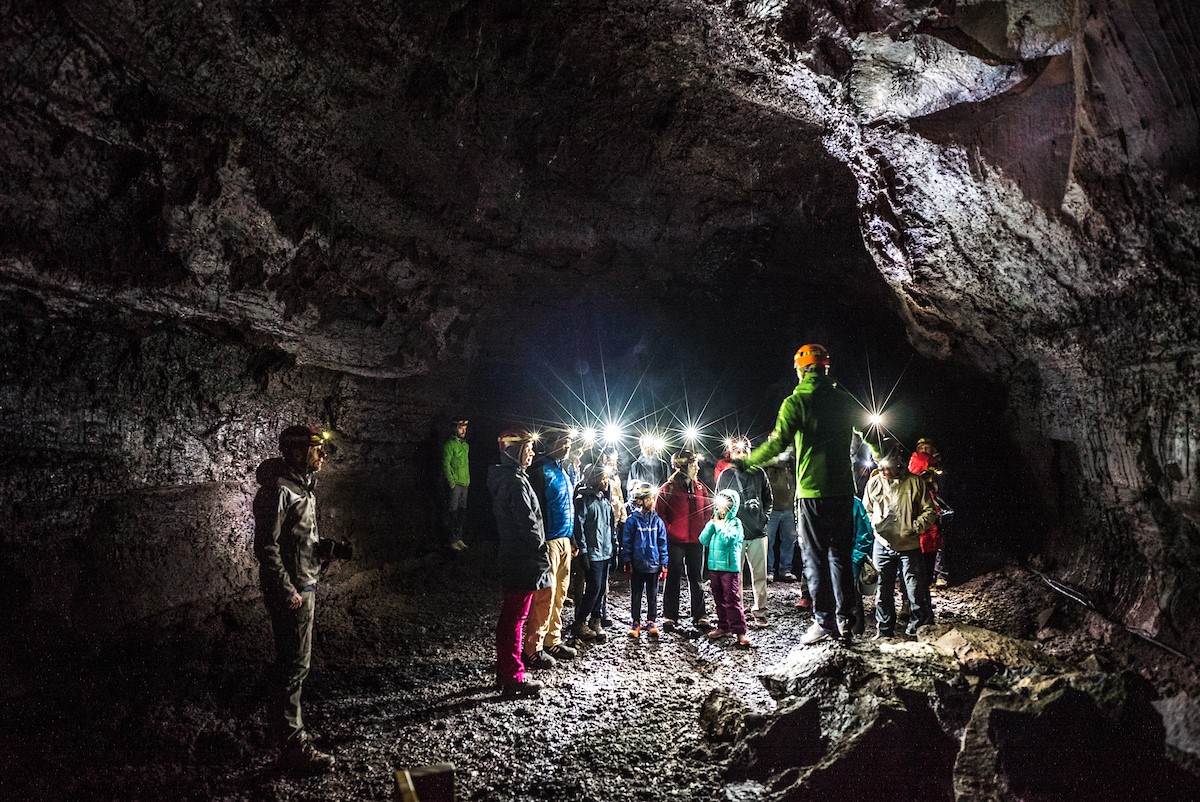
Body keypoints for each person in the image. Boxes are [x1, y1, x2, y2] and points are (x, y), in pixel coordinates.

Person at [738, 344, 877, 646]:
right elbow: (871, 434)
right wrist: (885, 456)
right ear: (826, 368)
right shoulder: (844, 400)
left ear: (801, 370)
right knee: (841, 556)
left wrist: (748, 462)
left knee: (815, 559)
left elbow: (777, 444)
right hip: (843, 491)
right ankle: (846, 620)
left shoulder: (796, 401)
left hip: (812, 492)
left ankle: (824, 621)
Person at [253, 425, 337, 772]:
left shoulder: (303, 487)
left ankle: (283, 730)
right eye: (317, 449)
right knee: (294, 666)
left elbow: (296, 539)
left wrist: (323, 550)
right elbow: (267, 547)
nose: (323, 455)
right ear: (297, 453)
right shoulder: (279, 491)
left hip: (305, 583)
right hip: (294, 591)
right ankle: (292, 746)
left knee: (294, 663)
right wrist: (287, 589)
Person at [488, 428, 552, 697]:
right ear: (515, 452)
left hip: (514, 556)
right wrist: (541, 552)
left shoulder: (509, 479)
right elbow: (528, 524)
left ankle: (505, 670)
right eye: (528, 449)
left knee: (512, 616)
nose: (532, 453)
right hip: (522, 559)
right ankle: (513, 677)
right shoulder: (515, 483)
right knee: (515, 617)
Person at [863, 444, 938, 639]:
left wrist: (914, 527)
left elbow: (929, 511)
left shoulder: (915, 483)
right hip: (882, 544)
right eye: (881, 467)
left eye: (887, 467)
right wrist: (874, 524)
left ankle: (919, 630)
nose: (884, 471)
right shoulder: (874, 483)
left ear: (898, 463)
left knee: (915, 590)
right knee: (882, 590)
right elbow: (867, 509)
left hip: (909, 545)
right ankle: (884, 630)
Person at [526, 431, 578, 662]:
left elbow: (568, 507)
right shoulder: (541, 472)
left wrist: (572, 539)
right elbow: (535, 511)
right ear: (550, 444)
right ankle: (534, 647)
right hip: (548, 541)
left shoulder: (562, 472)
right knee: (545, 595)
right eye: (563, 442)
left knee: (560, 594)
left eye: (569, 443)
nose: (567, 447)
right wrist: (539, 541)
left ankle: (552, 640)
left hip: (564, 539)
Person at [716, 436, 773, 628]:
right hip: (735, 535)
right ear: (731, 454)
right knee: (734, 577)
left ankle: (760, 611)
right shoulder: (725, 476)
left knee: (760, 576)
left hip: (757, 532)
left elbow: (768, 498)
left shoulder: (759, 473)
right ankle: (736, 614)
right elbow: (718, 502)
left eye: (744, 451)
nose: (741, 455)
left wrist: (764, 519)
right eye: (737, 451)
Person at [655, 450, 712, 631]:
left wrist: (703, 529)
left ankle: (700, 615)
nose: (697, 467)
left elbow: (708, 510)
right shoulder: (668, 489)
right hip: (675, 541)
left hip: (696, 540)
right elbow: (660, 514)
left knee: (696, 578)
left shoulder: (700, 488)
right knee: (673, 577)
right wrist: (670, 530)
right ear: (683, 467)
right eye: (694, 464)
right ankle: (670, 616)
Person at [699, 489, 752, 648]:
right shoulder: (715, 522)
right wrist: (712, 524)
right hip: (714, 566)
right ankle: (724, 626)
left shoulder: (735, 523)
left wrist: (719, 525)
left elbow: (728, 540)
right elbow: (703, 539)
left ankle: (740, 631)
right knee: (719, 598)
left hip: (729, 568)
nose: (720, 508)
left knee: (732, 599)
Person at [572, 463, 615, 642]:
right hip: (593, 553)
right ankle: (580, 621)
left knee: (602, 588)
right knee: (594, 588)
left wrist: (614, 547)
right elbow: (579, 527)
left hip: (605, 552)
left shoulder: (605, 502)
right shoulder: (583, 500)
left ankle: (595, 620)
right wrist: (583, 551)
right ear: (595, 478)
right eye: (603, 478)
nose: (606, 482)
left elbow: (610, 527)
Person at [622, 482, 669, 638]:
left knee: (652, 594)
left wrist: (664, 563)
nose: (652, 502)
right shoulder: (632, 521)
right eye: (649, 499)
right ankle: (635, 621)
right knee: (636, 594)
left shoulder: (657, 521)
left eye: (652, 498)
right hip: (637, 564)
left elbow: (662, 543)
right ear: (640, 501)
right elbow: (627, 543)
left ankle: (651, 621)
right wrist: (627, 561)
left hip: (653, 564)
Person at [909, 438, 950, 588]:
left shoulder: (938, 465)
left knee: (937, 542)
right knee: (922, 542)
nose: (924, 451)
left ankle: (940, 574)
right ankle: (924, 574)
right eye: (922, 448)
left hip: (935, 506)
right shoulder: (914, 462)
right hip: (919, 507)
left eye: (927, 448)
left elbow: (942, 486)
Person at [764, 449, 799, 585]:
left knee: (789, 540)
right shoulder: (768, 464)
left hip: (788, 508)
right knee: (768, 541)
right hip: (772, 509)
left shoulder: (791, 464)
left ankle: (785, 570)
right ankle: (769, 571)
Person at [442, 418, 471, 552]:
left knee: (461, 512)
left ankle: (459, 538)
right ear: (454, 429)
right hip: (456, 484)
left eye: (465, 428)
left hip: (465, 483)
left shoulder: (465, 445)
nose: (464, 431)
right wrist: (452, 482)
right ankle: (451, 540)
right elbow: (446, 464)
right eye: (460, 428)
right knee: (453, 512)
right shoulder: (449, 445)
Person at [849, 496, 875, 635]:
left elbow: (864, 534)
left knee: (853, 594)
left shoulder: (855, 503)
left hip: (850, 558)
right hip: (833, 557)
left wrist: (856, 557)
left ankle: (856, 630)